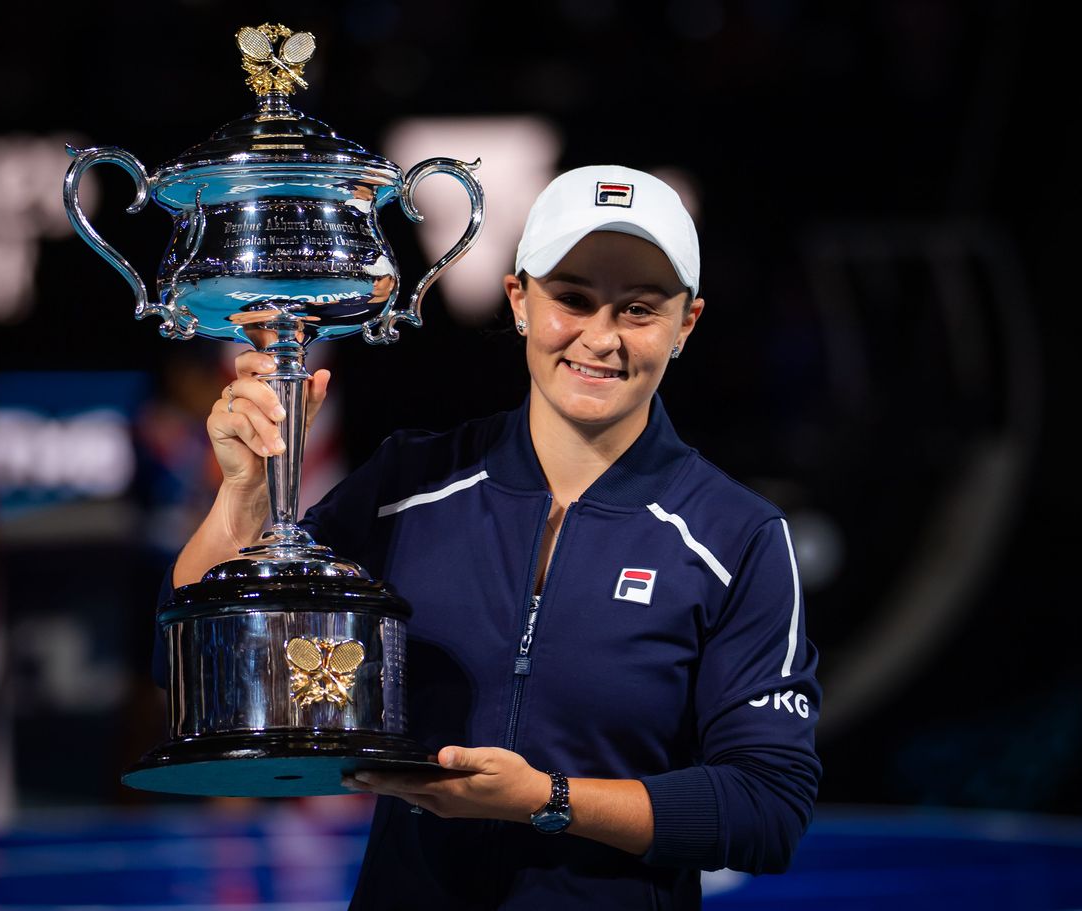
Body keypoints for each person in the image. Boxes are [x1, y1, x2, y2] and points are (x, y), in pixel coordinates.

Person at [165, 166, 822, 908]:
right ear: (519, 299)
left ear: (685, 326)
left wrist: (546, 799)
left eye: (637, 309)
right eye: (571, 298)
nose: (599, 338)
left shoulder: (737, 537)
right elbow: (204, 669)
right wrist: (245, 495)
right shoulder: (408, 484)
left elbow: (767, 807)